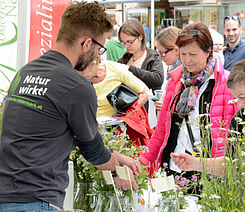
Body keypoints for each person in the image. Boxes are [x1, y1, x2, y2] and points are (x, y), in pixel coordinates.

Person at [0, 2, 141, 211]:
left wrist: (115, 155)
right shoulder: (77, 86)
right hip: (37, 198)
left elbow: (54, 133)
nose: (97, 56)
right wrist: (119, 168)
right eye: (99, 48)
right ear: (86, 43)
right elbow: (94, 154)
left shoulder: (26, 72)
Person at [138, 22, 237, 194]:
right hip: (173, 167)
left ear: (208, 52)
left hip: (207, 172)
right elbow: (161, 130)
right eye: (183, 54)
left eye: (193, 54)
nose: (187, 60)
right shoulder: (176, 81)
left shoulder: (226, 84)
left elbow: (236, 135)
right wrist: (141, 164)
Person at [171, 58, 245, 192]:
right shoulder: (241, 119)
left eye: (243, 97)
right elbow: (232, 165)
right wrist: (196, 163)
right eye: (236, 98)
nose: (239, 105)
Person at [80, 58, 148, 117]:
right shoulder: (78, 79)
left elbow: (145, 93)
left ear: (93, 63)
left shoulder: (115, 69)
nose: (79, 72)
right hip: (91, 124)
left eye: (82, 69)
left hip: (118, 124)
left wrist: (128, 115)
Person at [118, 18, 164, 93]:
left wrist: (130, 69)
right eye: (123, 42)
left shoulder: (153, 56)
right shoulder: (124, 59)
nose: (126, 46)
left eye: (130, 42)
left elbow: (158, 79)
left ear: (140, 37)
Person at [154, 26, 181, 114]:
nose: (160, 57)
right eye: (158, 53)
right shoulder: (172, 69)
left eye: (162, 53)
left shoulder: (187, 73)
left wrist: (168, 107)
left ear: (175, 49)